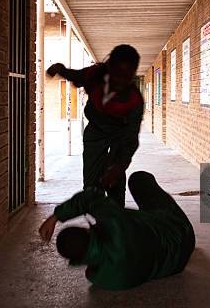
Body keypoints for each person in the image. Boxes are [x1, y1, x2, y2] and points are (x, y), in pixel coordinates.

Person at [38, 171, 196, 290]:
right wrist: (54, 217)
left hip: (176, 266)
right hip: (179, 231)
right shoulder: (114, 223)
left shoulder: (101, 278)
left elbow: (91, 270)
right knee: (139, 179)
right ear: (86, 231)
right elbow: (90, 199)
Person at [47, 45, 144, 208]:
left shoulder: (133, 100)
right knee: (92, 184)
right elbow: (76, 76)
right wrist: (60, 69)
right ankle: (94, 214)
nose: (121, 82)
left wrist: (118, 167)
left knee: (115, 182)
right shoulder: (95, 75)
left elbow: (131, 139)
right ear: (109, 68)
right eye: (117, 75)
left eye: (127, 77)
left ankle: (116, 215)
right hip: (96, 130)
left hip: (119, 134)